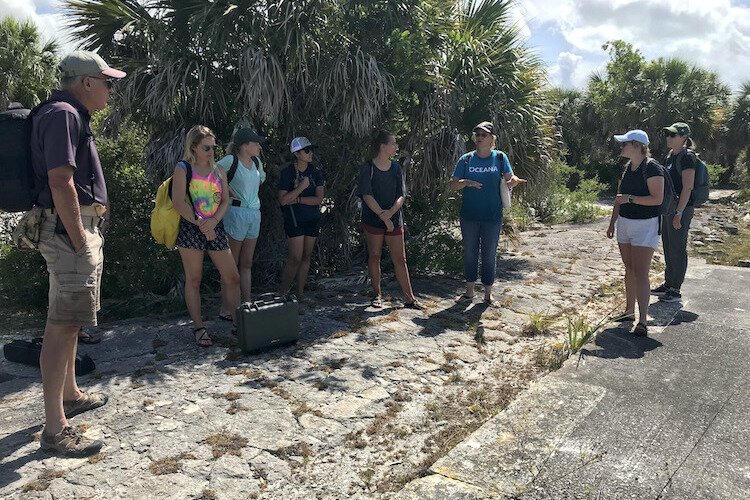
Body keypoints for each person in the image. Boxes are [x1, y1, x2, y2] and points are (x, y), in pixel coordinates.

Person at [31, 51, 126, 456]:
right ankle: (55, 430)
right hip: (70, 231)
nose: (110, 88)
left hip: (74, 229)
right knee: (64, 322)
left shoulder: (65, 114)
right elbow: (60, 180)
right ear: (86, 81)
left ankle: (69, 393)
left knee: (71, 321)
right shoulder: (64, 115)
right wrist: (78, 237)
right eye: (107, 81)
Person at [172, 125, 240, 347]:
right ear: (194, 147)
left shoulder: (219, 170)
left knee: (232, 277)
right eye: (206, 147)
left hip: (215, 226)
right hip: (192, 228)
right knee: (194, 279)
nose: (211, 151)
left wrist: (214, 222)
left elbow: (224, 200)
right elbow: (179, 201)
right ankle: (199, 327)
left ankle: (240, 322)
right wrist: (200, 223)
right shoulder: (183, 168)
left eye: (213, 147)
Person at [449, 121, 526, 305]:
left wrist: (513, 181)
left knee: (489, 254)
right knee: (470, 253)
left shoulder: (500, 158)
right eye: (477, 135)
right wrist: (466, 182)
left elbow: (509, 179)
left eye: (483, 135)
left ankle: (488, 294)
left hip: (492, 216)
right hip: (469, 216)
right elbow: (452, 185)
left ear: (492, 138)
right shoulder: (466, 159)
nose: (479, 138)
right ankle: (469, 291)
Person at [606, 130, 664, 336]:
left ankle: (642, 320)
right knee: (629, 268)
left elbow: (657, 199)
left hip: (646, 224)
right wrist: (612, 223)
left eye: (625, 144)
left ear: (637, 146)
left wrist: (630, 199)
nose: (621, 147)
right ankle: (628, 312)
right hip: (625, 223)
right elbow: (618, 198)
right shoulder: (627, 168)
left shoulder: (652, 167)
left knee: (641, 271)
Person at [357, 131, 422, 310]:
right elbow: (366, 195)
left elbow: (401, 195)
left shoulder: (395, 168)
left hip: (394, 219)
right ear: (382, 146)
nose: (396, 147)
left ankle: (410, 299)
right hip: (373, 219)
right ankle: (376, 294)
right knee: (375, 255)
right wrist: (382, 216)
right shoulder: (368, 167)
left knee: (400, 258)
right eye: (393, 144)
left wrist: (390, 213)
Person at [216, 128, 267, 318]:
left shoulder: (256, 162)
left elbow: (259, 181)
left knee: (246, 262)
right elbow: (212, 174)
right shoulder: (230, 160)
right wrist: (227, 190)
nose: (259, 146)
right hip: (235, 213)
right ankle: (228, 308)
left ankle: (246, 304)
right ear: (245, 145)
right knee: (231, 264)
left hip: (253, 213)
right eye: (255, 143)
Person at [651, 122, 697, 303]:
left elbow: (687, 187)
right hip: (669, 208)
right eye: (668, 134)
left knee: (678, 247)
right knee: (668, 246)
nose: (668, 138)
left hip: (681, 209)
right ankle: (668, 283)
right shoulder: (670, 156)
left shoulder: (687, 157)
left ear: (684, 137)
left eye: (673, 135)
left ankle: (675, 289)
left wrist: (679, 213)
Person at [278, 137, 324, 304]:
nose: (310, 153)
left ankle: (300, 294)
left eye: (311, 149)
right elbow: (283, 200)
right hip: (294, 219)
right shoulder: (287, 173)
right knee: (295, 257)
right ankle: (282, 294)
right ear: (296, 153)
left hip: (312, 218)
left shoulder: (316, 172)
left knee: (306, 256)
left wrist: (297, 199)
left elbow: (319, 199)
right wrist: (301, 188)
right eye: (306, 150)